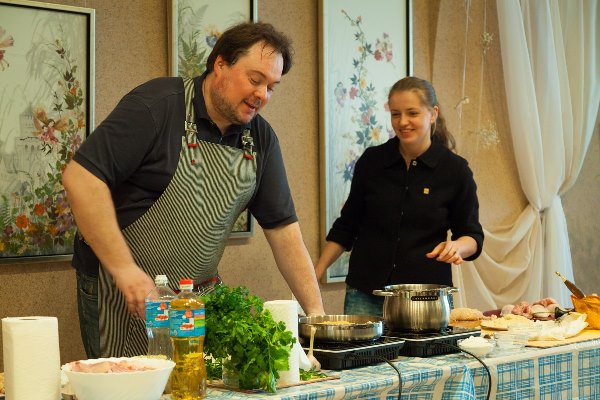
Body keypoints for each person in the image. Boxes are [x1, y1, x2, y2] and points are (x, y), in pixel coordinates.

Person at [62, 22, 324, 358]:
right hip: (119, 290)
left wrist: (316, 316)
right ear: (220, 64)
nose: (262, 95)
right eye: (255, 79)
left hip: (195, 298)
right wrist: (126, 270)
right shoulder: (158, 105)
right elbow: (81, 178)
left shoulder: (260, 138)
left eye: (272, 87)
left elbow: (284, 230)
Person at [315, 76, 484, 317]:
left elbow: (473, 235)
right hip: (365, 294)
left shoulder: (455, 170)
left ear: (432, 113)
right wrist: (316, 273)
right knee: (362, 356)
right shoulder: (372, 162)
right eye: (395, 114)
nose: (402, 122)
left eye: (412, 113)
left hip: (427, 298)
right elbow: (347, 226)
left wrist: (457, 246)